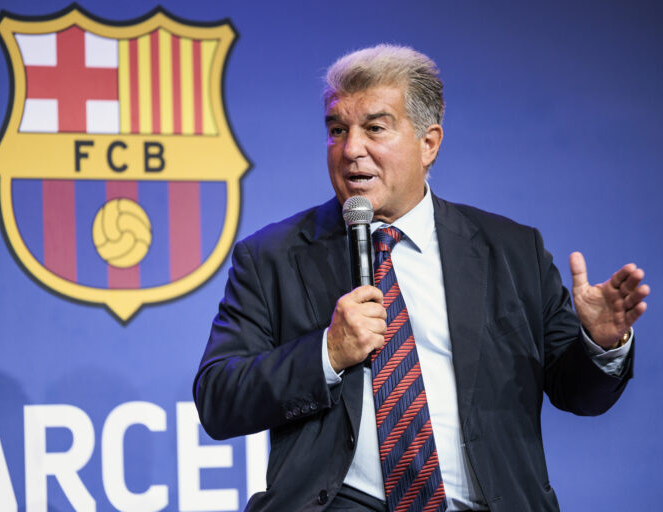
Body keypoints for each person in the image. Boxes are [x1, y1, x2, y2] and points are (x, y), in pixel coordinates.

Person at [193, 45, 649, 511]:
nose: (351, 149)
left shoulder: (512, 251)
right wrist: (326, 352)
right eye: (337, 130)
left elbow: (580, 394)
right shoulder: (272, 256)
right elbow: (218, 398)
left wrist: (600, 343)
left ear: (429, 143)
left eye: (374, 128)